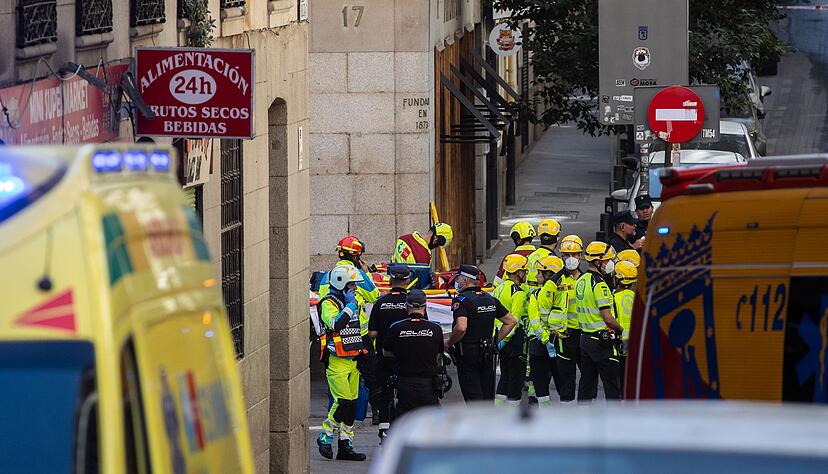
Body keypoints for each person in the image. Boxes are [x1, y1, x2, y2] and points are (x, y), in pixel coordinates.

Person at [319, 236, 381, 422]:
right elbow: (374, 295)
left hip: (334, 338)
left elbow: (324, 301)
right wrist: (366, 272)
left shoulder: (327, 275)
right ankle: (376, 413)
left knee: (337, 387)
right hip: (358, 337)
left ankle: (338, 420)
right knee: (370, 377)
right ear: (356, 256)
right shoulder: (356, 275)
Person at [316, 265, 369, 461]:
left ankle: (346, 445)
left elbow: (357, 328)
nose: (355, 288)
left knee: (352, 405)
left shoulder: (353, 301)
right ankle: (325, 436)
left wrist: (363, 352)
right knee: (342, 403)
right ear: (341, 284)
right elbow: (335, 324)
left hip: (353, 358)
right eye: (352, 284)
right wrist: (350, 306)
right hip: (336, 360)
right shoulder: (328, 303)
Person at [446, 265, 517, 401]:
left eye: (458, 279)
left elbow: (461, 327)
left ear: (465, 281)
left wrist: (449, 342)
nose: (457, 282)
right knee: (487, 395)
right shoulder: (489, 299)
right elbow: (511, 321)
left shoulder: (462, 300)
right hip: (488, 352)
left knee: (473, 396)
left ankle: (477, 420)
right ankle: (487, 420)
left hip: (467, 353)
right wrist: (494, 341)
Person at [367, 264, 413, 443]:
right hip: (408, 359)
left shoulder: (381, 302)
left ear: (390, 279)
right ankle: (405, 431)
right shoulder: (413, 301)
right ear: (408, 280)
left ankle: (384, 431)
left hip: (385, 357)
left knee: (385, 394)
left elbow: (372, 333)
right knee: (407, 394)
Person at [382, 289, 444, 418]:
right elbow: (438, 354)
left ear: (406, 306)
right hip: (428, 384)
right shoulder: (435, 328)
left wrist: (402, 355)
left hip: (405, 382)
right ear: (425, 307)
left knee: (406, 420)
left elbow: (386, 352)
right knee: (431, 421)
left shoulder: (396, 327)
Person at [576, 242, 624, 402]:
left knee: (586, 384)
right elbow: (608, 318)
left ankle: (583, 419)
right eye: (608, 260)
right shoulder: (600, 285)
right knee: (612, 385)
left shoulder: (581, 280)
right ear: (598, 261)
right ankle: (614, 420)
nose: (610, 263)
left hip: (584, 339)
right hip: (601, 342)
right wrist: (621, 328)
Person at [526, 255, 565, 407]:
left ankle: (546, 414)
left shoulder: (535, 295)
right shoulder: (564, 293)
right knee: (559, 383)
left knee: (542, 385)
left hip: (541, 344)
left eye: (539, 272)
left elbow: (535, 322)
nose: (536, 276)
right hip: (555, 343)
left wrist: (544, 340)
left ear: (549, 274)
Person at [550, 235, 584, 404]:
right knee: (566, 379)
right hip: (565, 336)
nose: (571, 259)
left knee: (588, 377)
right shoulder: (555, 281)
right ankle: (567, 411)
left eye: (575, 255)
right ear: (561, 256)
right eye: (566, 255)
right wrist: (553, 329)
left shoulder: (587, 279)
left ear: (581, 255)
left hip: (585, 334)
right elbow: (543, 307)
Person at [492, 254, 529, 405]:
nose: (526, 274)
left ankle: (498, 408)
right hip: (513, 339)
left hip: (498, 337)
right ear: (518, 272)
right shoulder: (518, 293)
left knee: (505, 376)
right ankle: (512, 412)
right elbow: (514, 320)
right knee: (516, 378)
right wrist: (506, 339)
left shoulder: (499, 288)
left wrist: (499, 340)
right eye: (524, 271)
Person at [392, 222, 453, 289]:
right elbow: (421, 283)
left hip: (393, 280)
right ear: (435, 240)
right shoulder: (424, 255)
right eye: (437, 245)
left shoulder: (403, 238)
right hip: (407, 289)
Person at [613, 260, 638, 396]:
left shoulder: (614, 298)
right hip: (635, 344)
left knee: (621, 381)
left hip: (620, 345)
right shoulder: (637, 298)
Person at [493, 221, 537, 286]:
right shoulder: (541, 255)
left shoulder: (510, 258)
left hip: (516, 294)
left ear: (518, 240)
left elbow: (497, 283)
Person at [526, 219, 562, 288]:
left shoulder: (530, 256)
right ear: (557, 238)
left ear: (539, 237)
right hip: (544, 296)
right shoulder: (555, 261)